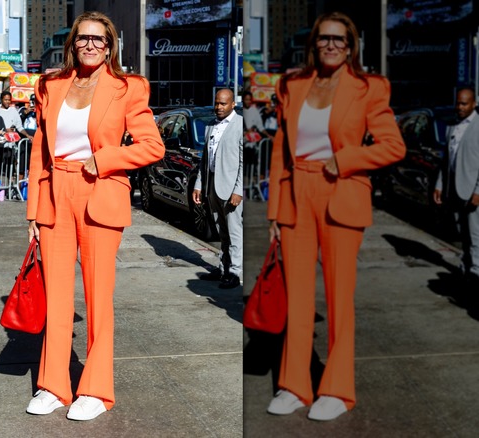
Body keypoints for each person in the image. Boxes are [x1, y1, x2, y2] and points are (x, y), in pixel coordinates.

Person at [265, 12, 405, 421]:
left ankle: (338, 389)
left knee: (340, 297)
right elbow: (280, 150)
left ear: (351, 47)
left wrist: (345, 160)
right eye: (324, 38)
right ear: (314, 42)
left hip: (341, 190)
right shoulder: (293, 85)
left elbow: (392, 145)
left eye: (339, 40)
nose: (331, 45)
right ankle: (294, 384)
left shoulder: (368, 88)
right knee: (298, 297)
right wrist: (275, 209)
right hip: (297, 193)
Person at [25, 11, 164, 421]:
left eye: (99, 40)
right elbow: (39, 150)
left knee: (98, 297)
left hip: (99, 190)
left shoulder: (128, 88)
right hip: (55, 193)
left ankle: (97, 390)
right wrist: (33, 209)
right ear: (72, 43)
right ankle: (53, 384)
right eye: (83, 38)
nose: (90, 45)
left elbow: (151, 146)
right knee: (56, 297)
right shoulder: (50, 85)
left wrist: (104, 160)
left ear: (110, 46)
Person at [192, 89, 244, 289]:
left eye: (223, 104)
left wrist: (238, 190)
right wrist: (199, 185)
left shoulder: (240, 125)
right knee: (221, 232)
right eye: (217, 103)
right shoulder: (210, 126)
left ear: (232, 105)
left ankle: (234, 272)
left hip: (232, 190)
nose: (218, 107)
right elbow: (205, 160)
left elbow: (244, 161)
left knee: (234, 232)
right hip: (213, 186)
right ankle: (223, 267)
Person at [434, 87, 479, 285]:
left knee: (476, 235)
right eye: (458, 103)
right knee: (463, 234)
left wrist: (478, 191)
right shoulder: (452, 125)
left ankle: (477, 274)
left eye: (464, 103)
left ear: (473, 104)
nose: (459, 107)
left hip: (473, 191)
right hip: (455, 191)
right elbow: (446, 160)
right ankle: (466, 269)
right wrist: (440, 185)